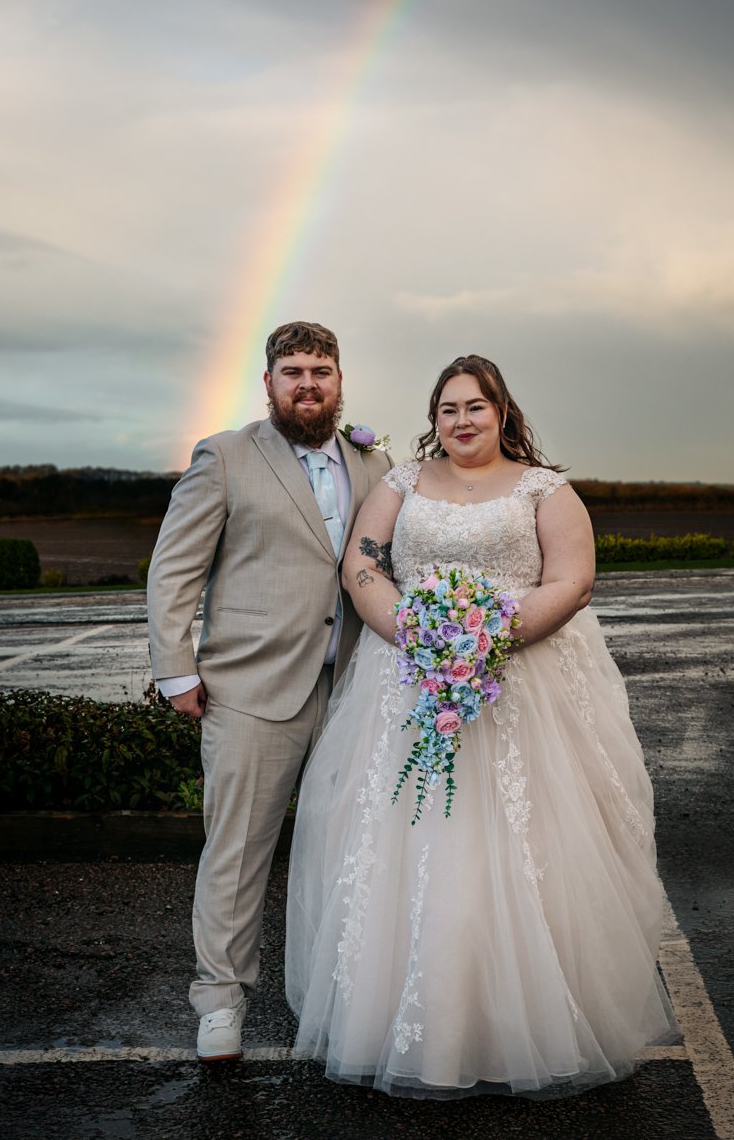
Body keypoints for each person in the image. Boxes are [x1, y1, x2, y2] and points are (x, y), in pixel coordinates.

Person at [286, 354, 676, 1098]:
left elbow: (573, 579)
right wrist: (418, 633)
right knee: (414, 840)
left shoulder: (544, 488)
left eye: (475, 407)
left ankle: (525, 1020)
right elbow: (363, 569)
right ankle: (413, 1020)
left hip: (523, 684)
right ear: (433, 419)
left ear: (501, 412)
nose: (461, 421)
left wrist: (486, 639)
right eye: (447, 409)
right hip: (408, 680)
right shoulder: (402, 483)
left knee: (531, 843)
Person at [147, 320, 391, 1063]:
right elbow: (173, 569)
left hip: (354, 687)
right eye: (293, 371)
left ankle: (348, 996)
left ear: (340, 380)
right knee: (238, 850)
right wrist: (175, 669)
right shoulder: (223, 457)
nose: (308, 383)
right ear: (269, 382)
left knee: (357, 849)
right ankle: (219, 1002)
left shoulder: (372, 462)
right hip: (251, 690)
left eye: (321, 369)